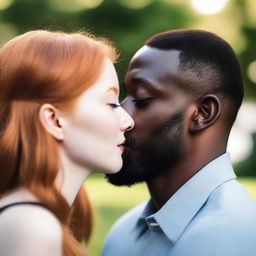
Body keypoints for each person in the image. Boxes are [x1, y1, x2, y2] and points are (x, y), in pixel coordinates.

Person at [103, 29, 256, 256]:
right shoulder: (122, 234)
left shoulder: (233, 236)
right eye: (124, 96)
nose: (121, 115)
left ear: (202, 113)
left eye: (142, 99)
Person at [0, 30, 134, 256]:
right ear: (54, 120)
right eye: (110, 103)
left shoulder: (34, 220)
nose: (128, 121)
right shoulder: (32, 227)